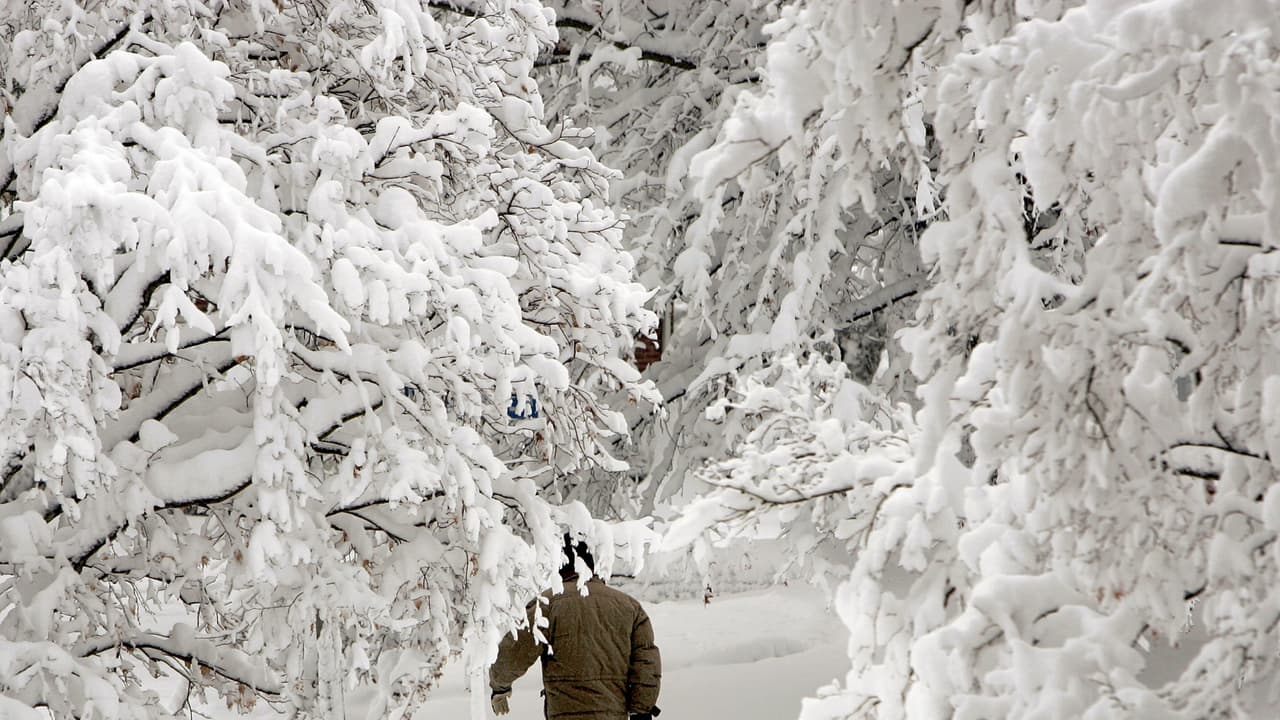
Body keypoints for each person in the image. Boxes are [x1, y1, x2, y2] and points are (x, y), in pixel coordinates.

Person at [489, 536, 662, 719]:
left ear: (560, 565)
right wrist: (641, 710)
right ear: (591, 565)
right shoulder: (630, 607)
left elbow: (515, 650)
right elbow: (646, 663)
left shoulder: (548, 604)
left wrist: (500, 687)